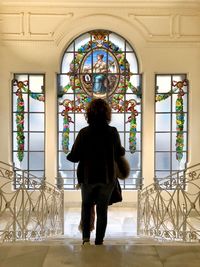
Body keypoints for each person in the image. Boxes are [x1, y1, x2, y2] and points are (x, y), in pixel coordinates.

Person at [67, 98, 125, 245]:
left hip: (88, 178)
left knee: (86, 207)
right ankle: (99, 241)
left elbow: (74, 157)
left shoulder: (84, 133)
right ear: (107, 114)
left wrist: (73, 154)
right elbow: (119, 153)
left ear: (89, 114)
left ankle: (86, 240)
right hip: (107, 178)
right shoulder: (112, 132)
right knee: (102, 210)